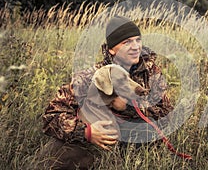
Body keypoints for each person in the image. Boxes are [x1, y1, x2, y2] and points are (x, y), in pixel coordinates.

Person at [36, 16, 174, 169]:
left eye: (137, 40)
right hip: (92, 144)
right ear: (111, 49)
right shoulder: (89, 78)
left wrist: (126, 108)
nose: (135, 46)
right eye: (126, 42)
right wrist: (87, 132)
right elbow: (50, 117)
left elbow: (166, 114)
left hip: (130, 144)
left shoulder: (151, 73)